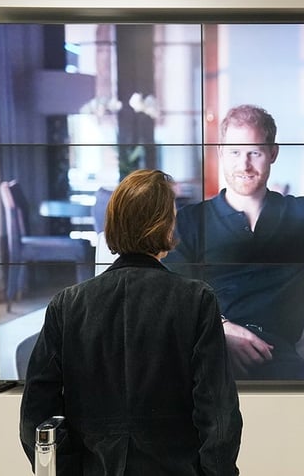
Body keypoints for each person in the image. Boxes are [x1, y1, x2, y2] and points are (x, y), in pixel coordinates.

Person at [19, 169, 242, 476]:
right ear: (164, 226)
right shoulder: (196, 300)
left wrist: (69, 469)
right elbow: (217, 414)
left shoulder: (67, 305)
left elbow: (37, 413)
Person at [164, 104, 304, 380]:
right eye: (235, 152)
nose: (244, 164)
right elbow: (172, 293)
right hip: (207, 351)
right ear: (220, 153)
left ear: (273, 153)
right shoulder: (189, 222)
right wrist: (223, 329)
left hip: (277, 356)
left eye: (254, 152)